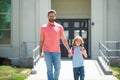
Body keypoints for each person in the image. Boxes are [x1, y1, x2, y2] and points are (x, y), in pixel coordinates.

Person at [39, 9, 72, 80]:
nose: (51, 17)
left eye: (53, 16)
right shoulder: (43, 27)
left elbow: (64, 39)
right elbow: (41, 40)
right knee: (49, 70)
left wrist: (69, 49)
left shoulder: (59, 27)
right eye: (50, 16)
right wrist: (40, 51)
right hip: (47, 52)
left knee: (58, 69)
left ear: (55, 17)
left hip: (57, 52)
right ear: (47, 17)